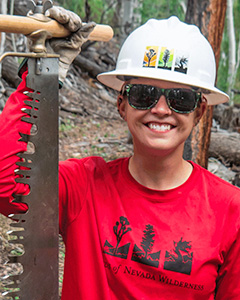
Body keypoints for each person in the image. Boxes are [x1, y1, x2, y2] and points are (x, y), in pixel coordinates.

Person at [0, 6, 240, 300]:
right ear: (122, 104)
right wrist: (40, 77)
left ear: (200, 111)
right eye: (143, 94)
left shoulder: (231, 210)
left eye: (181, 98)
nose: (161, 109)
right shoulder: (84, 185)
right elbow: (7, 188)